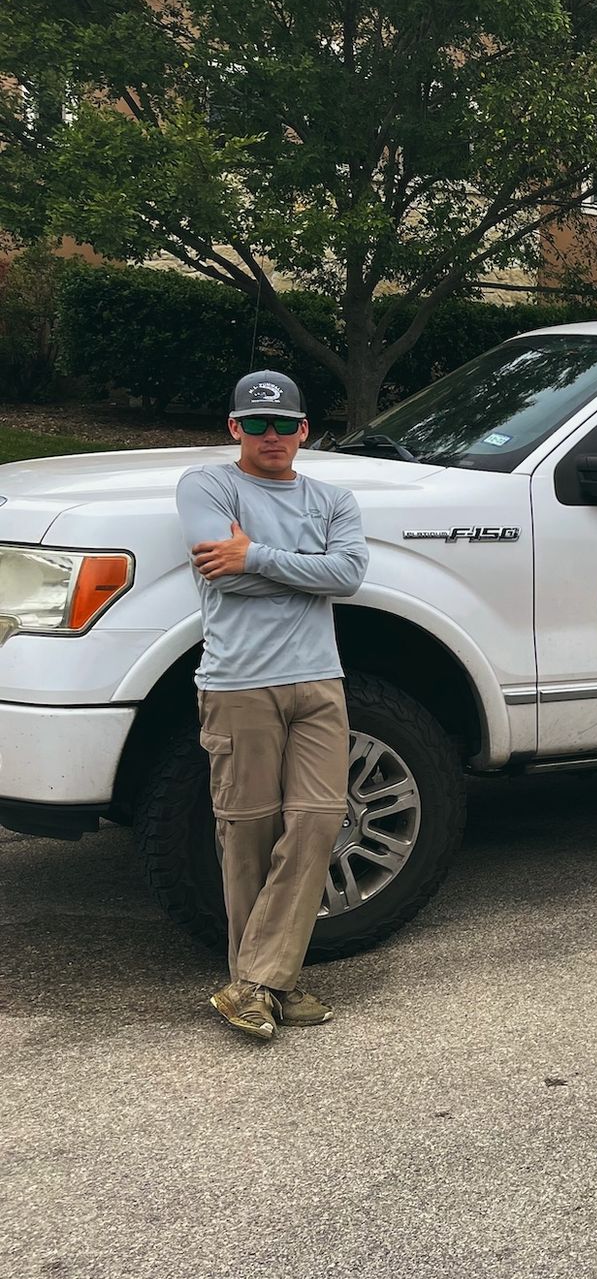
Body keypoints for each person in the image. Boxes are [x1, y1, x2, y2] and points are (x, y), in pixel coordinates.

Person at [175, 371, 368, 1040]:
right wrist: (301, 568)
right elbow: (217, 573)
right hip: (238, 684)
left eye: (285, 423)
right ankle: (270, 985)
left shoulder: (334, 497)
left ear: (305, 430)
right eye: (256, 424)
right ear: (235, 429)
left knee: (318, 820)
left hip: (319, 680)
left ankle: (254, 983)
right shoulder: (209, 486)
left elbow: (347, 575)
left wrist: (253, 554)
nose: (272, 435)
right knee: (248, 832)